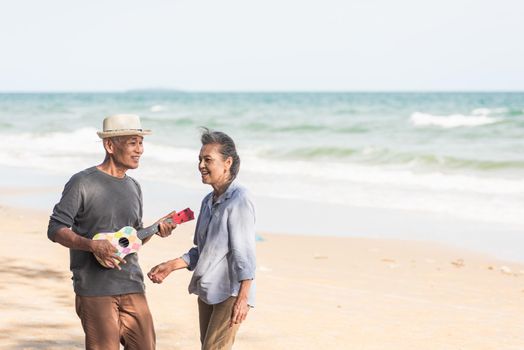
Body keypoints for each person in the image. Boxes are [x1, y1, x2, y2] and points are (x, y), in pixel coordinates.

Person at [47, 114, 177, 350]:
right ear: (109, 145)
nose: (140, 150)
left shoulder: (134, 186)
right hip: (95, 289)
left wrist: (156, 229)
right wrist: (92, 245)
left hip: (132, 284)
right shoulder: (82, 182)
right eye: (132, 143)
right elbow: (55, 229)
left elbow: (131, 240)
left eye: (141, 142)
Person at [148, 128, 256, 350]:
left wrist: (243, 297)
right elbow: (202, 250)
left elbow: (244, 253)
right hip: (208, 289)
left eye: (208, 160)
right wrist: (171, 265)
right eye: (199, 159)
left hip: (231, 292)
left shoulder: (239, 200)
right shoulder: (207, 201)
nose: (200, 166)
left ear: (227, 162)